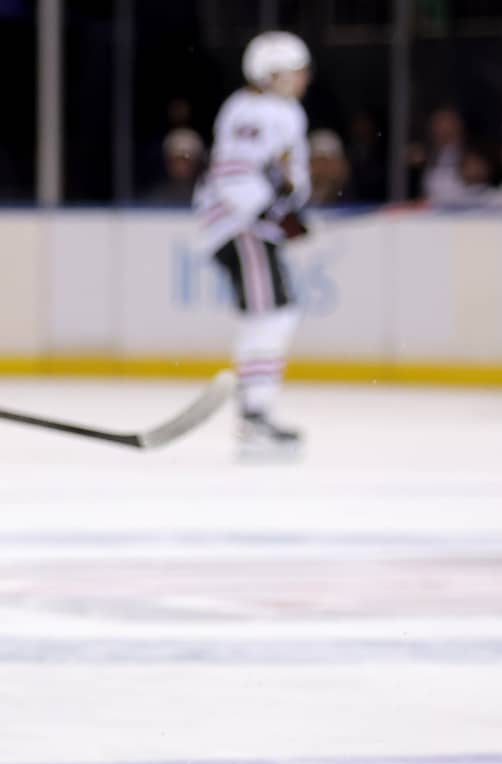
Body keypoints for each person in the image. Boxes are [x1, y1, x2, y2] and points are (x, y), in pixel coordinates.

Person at [192, 30, 313, 459]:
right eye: (295, 70)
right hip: (241, 228)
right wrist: (270, 214)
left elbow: (278, 177)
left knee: (271, 314)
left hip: (249, 227)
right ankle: (255, 413)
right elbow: (234, 174)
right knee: (272, 314)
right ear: (271, 73)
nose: (303, 78)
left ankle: (255, 410)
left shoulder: (278, 110)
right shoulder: (256, 110)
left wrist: (288, 212)